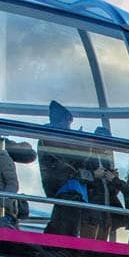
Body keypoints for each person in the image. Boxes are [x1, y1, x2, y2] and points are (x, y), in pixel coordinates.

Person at [38, 101, 95, 238]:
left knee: (64, 221)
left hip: (64, 187)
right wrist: (84, 142)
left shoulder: (49, 137)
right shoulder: (51, 137)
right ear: (62, 120)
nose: (70, 126)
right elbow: (79, 156)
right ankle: (60, 248)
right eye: (69, 122)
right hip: (66, 188)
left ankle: (55, 244)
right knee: (66, 225)